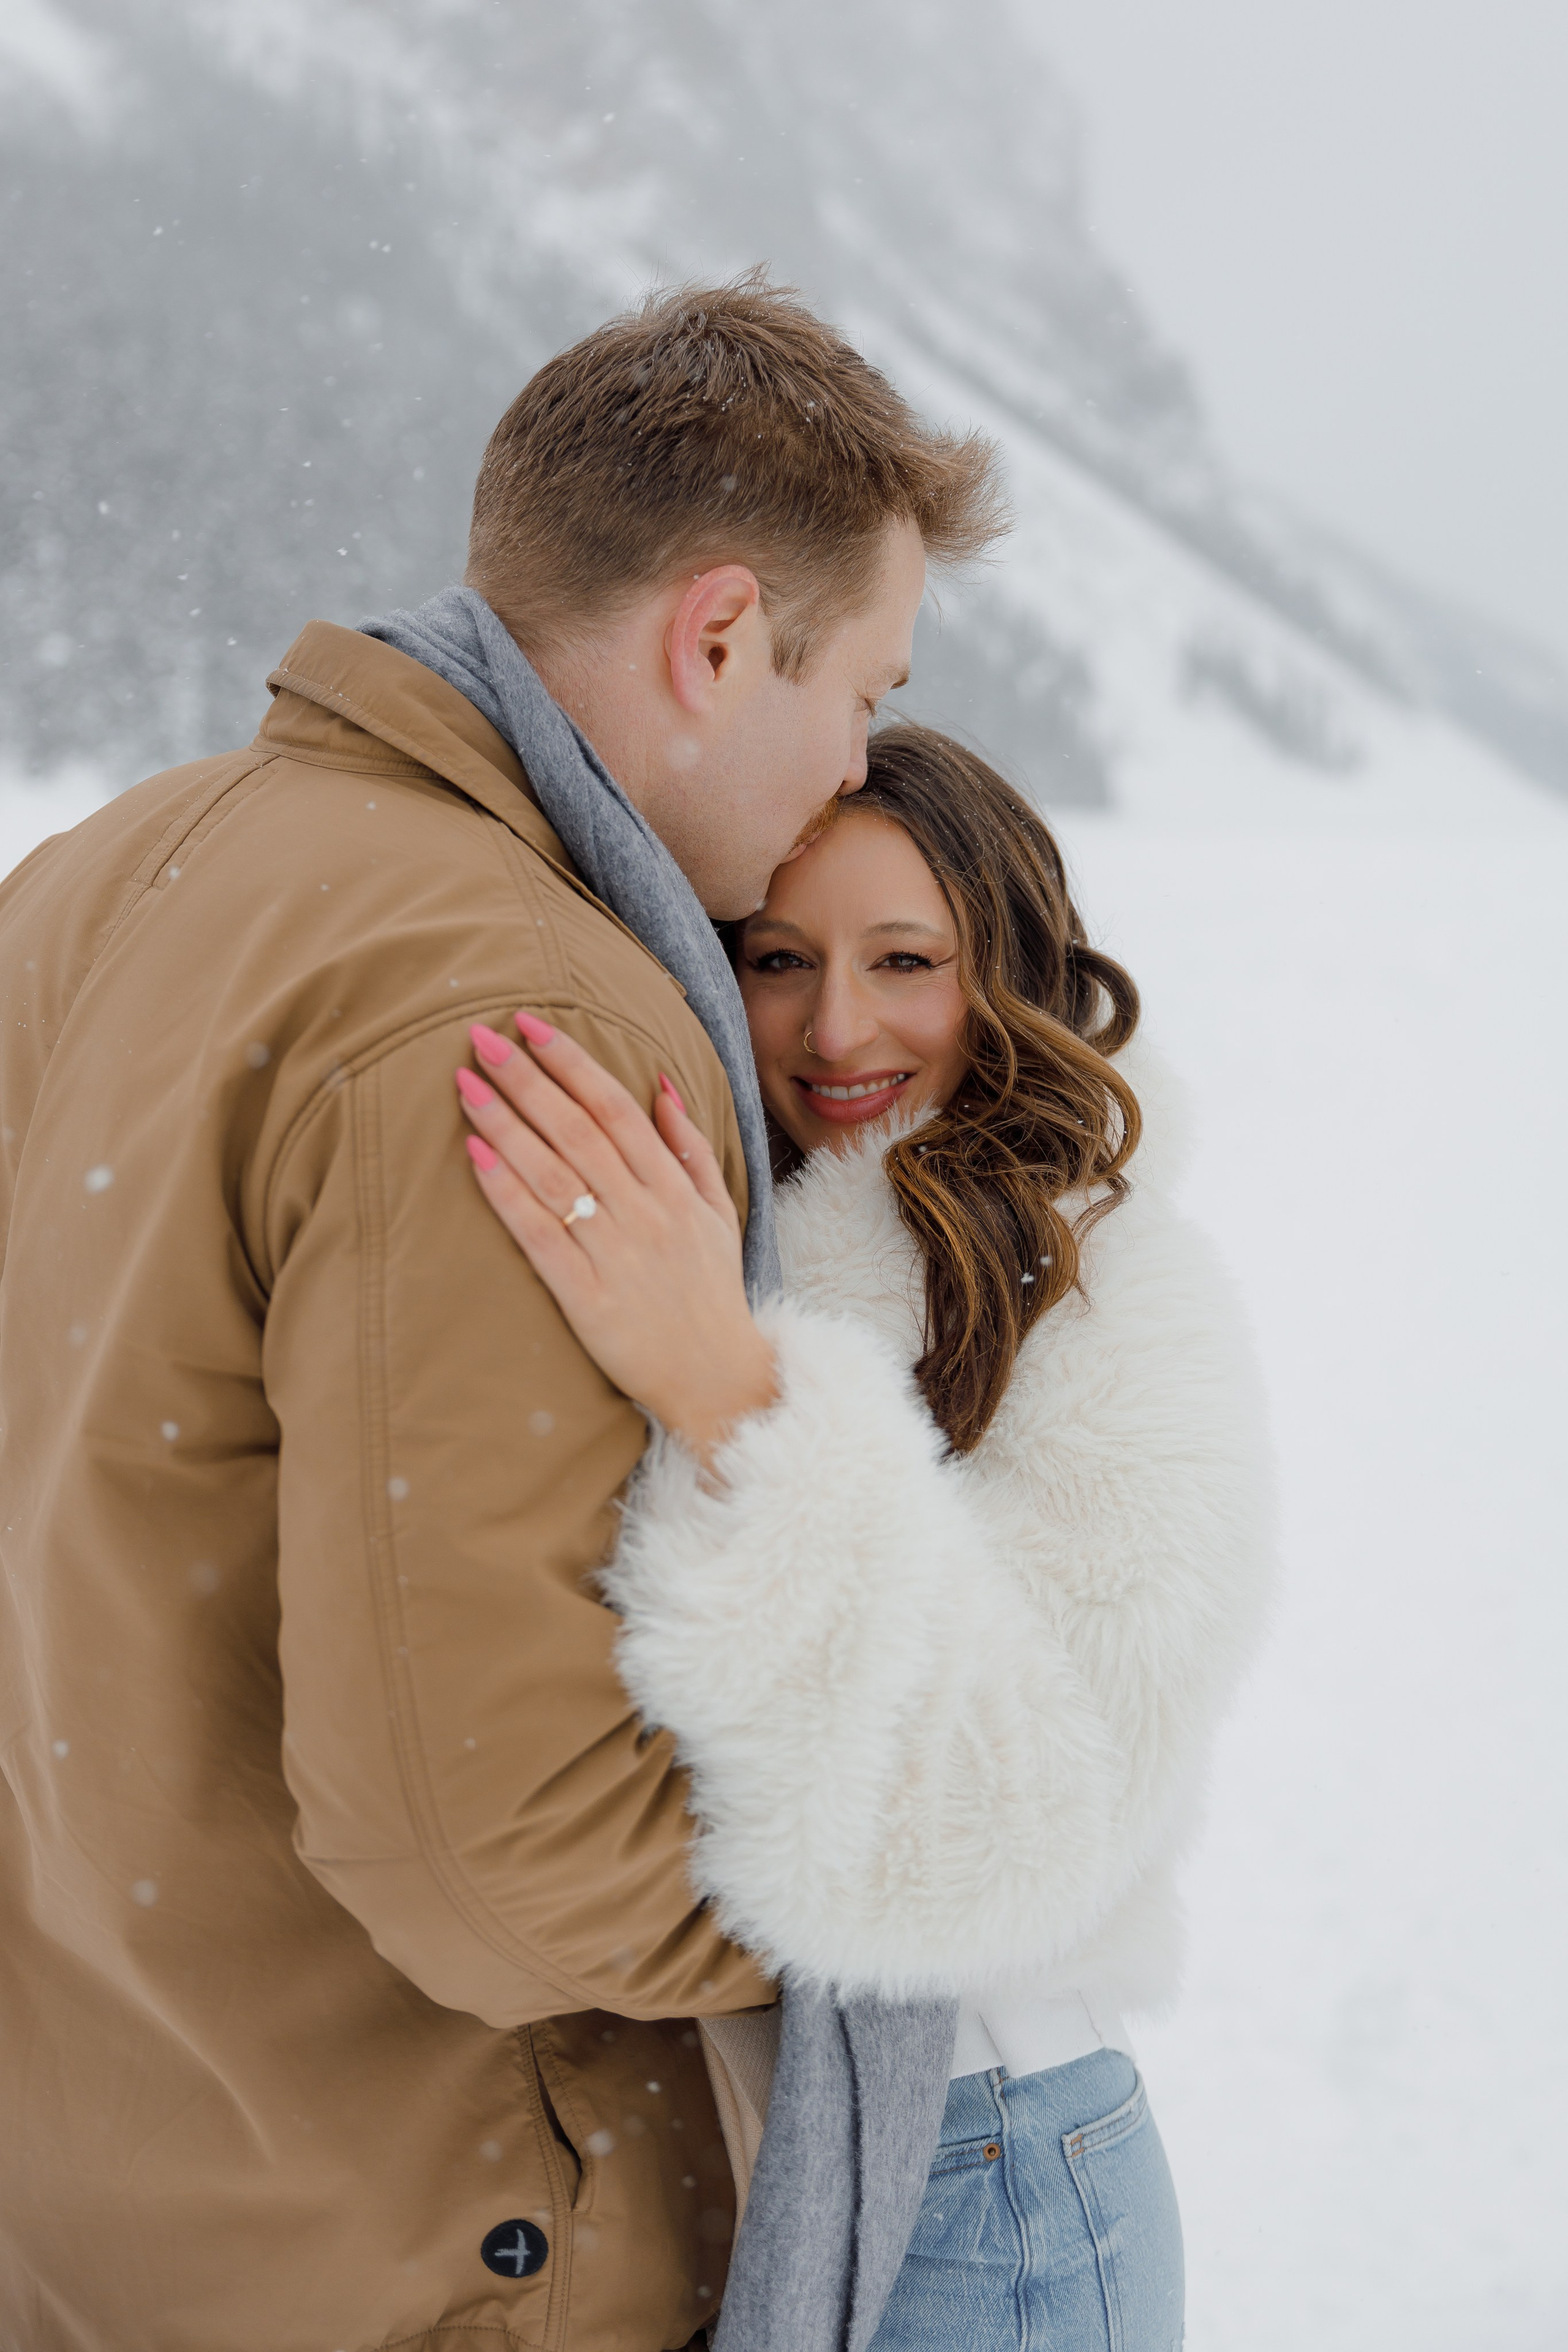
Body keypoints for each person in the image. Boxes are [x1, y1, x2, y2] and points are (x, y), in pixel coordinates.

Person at [0, 281, 1005, 2351]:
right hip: (448, 2248)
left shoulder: (103, 874)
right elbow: (493, 1854)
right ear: (718, 637)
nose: (851, 772)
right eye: (860, 694)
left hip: (119, 2184)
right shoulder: (524, 1006)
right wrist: (869, 1911)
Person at [450, 723, 1274, 2351]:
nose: (837, 1027)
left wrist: (737, 1402)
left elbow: (996, 1834)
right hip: (774, 2162)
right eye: (778, 959)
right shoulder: (760, 1228)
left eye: (908, 961)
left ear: (1012, 974)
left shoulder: (1121, 1303)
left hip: (988, 2177)